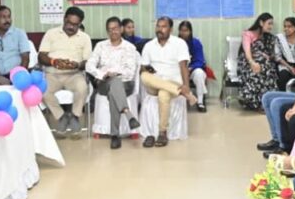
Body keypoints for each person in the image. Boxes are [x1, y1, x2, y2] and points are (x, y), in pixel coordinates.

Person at [139, 17, 197, 147]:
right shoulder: (149, 45)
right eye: (158, 26)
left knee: (163, 94)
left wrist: (186, 85)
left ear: (170, 29)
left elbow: (183, 66)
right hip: (155, 82)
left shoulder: (179, 44)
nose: (160, 29)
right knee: (144, 76)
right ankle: (181, 93)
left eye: (164, 26)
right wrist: (146, 68)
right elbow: (143, 67)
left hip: (173, 81)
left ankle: (162, 132)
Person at [86, 17, 141, 149]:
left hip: (126, 83)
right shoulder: (100, 46)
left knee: (114, 87)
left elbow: (130, 71)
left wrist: (114, 73)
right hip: (104, 83)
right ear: (107, 31)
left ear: (121, 29)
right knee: (113, 84)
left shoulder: (129, 47)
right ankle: (128, 114)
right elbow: (89, 65)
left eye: (115, 28)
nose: (113, 32)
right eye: (110, 29)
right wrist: (102, 74)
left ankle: (115, 135)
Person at [39, 7, 93, 135]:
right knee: (43, 91)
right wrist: (54, 62)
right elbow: (41, 56)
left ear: (80, 24)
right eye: (69, 23)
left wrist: (77, 65)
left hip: (74, 74)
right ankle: (61, 116)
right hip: (52, 74)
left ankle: (75, 116)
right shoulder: (51, 34)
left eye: (75, 24)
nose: (71, 27)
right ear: (64, 19)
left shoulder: (85, 38)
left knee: (82, 88)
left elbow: (88, 62)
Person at [0, 5, 31, 85]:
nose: (7, 20)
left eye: (9, 17)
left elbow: (25, 58)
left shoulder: (19, 33)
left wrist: (18, 76)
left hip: (17, 75)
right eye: (3, 17)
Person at [238, 13, 278, 110]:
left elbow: (272, 55)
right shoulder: (248, 34)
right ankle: (255, 101)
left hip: (264, 64)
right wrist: (252, 63)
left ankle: (265, 102)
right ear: (261, 23)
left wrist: (266, 55)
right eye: (269, 23)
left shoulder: (269, 37)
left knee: (268, 69)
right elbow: (247, 52)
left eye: (272, 24)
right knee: (258, 70)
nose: (271, 26)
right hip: (247, 62)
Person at [178, 20, 208, 112]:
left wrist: (190, 68)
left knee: (199, 73)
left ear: (190, 31)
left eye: (186, 30)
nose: (183, 33)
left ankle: (200, 102)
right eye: (181, 30)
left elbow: (200, 60)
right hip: (178, 70)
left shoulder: (196, 43)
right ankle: (179, 102)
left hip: (192, 70)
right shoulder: (175, 43)